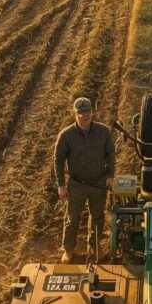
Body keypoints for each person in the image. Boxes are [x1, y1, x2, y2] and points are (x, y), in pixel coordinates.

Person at [54, 97, 115, 263]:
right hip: (77, 185)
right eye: (81, 113)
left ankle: (94, 247)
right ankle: (68, 249)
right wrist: (61, 185)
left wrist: (110, 176)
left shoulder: (103, 132)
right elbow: (58, 160)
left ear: (92, 112)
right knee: (72, 219)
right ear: (75, 114)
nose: (85, 115)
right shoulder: (66, 136)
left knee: (97, 217)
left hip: (98, 183)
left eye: (87, 112)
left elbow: (110, 154)